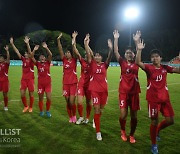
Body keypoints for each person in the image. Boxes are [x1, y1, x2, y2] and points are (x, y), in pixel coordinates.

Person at [135, 37, 180, 154]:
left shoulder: (165, 68)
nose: (155, 58)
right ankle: (154, 144)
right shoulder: (149, 68)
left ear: (161, 58)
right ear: (151, 59)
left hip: (165, 99)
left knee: (170, 121)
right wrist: (139, 50)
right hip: (153, 100)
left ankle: (158, 130)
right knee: (154, 121)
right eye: (153, 56)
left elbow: (177, 71)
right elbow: (138, 62)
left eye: (157, 56)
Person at [113, 30, 141, 143]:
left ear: (134, 55)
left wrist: (136, 41)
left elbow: (139, 49)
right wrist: (116, 38)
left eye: (131, 53)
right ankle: (123, 131)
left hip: (134, 93)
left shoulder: (137, 62)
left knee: (134, 116)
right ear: (124, 55)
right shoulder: (122, 62)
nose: (129, 54)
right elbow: (115, 51)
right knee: (123, 115)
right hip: (123, 92)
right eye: (127, 53)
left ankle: (132, 135)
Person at [85, 34, 113, 141]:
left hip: (104, 91)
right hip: (95, 91)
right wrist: (86, 44)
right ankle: (98, 132)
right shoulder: (92, 64)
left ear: (101, 57)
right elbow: (88, 54)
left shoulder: (105, 65)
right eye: (95, 55)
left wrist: (110, 48)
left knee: (100, 109)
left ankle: (95, 120)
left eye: (99, 56)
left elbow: (110, 57)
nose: (97, 57)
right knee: (96, 110)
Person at [71, 32, 92, 124]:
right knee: (79, 102)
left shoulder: (92, 63)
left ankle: (87, 117)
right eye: (85, 55)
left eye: (87, 55)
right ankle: (81, 117)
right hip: (81, 84)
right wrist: (74, 39)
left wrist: (86, 43)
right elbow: (75, 51)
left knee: (88, 102)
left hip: (89, 85)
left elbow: (90, 52)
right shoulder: (82, 61)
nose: (86, 55)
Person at [10, 36, 35, 113]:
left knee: (31, 94)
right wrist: (12, 44)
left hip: (30, 79)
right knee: (22, 94)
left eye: (26, 53)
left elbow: (31, 53)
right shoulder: (23, 59)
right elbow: (17, 52)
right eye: (25, 53)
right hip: (23, 80)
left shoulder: (31, 61)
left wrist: (27, 44)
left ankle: (30, 107)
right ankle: (26, 106)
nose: (25, 54)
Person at [57, 33, 77, 123]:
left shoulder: (74, 60)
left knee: (71, 102)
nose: (67, 53)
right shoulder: (64, 60)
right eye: (66, 52)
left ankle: (74, 115)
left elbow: (74, 49)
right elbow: (60, 49)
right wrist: (58, 40)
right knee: (67, 101)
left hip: (73, 84)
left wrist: (74, 39)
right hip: (65, 84)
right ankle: (70, 117)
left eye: (68, 52)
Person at [29, 42, 52, 118]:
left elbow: (50, 55)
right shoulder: (37, 64)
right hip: (40, 85)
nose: (42, 58)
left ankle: (48, 111)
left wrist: (46, 47)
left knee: (49, 98)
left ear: (45, 58)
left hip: (48, 84)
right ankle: (41, 111)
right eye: (41, 57)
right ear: (39, 58)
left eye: (43, 57)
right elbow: (31, 57)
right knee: (40, 98)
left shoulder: (48, 63)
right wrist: (34, 50)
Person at [0, 45, 10, 111]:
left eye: (1, 58)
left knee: (4, 94)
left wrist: (7, 51)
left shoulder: (6, 64)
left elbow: (8, 58)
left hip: (4, 81)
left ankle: (5, 106)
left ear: (4, 59)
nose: (0, 59)